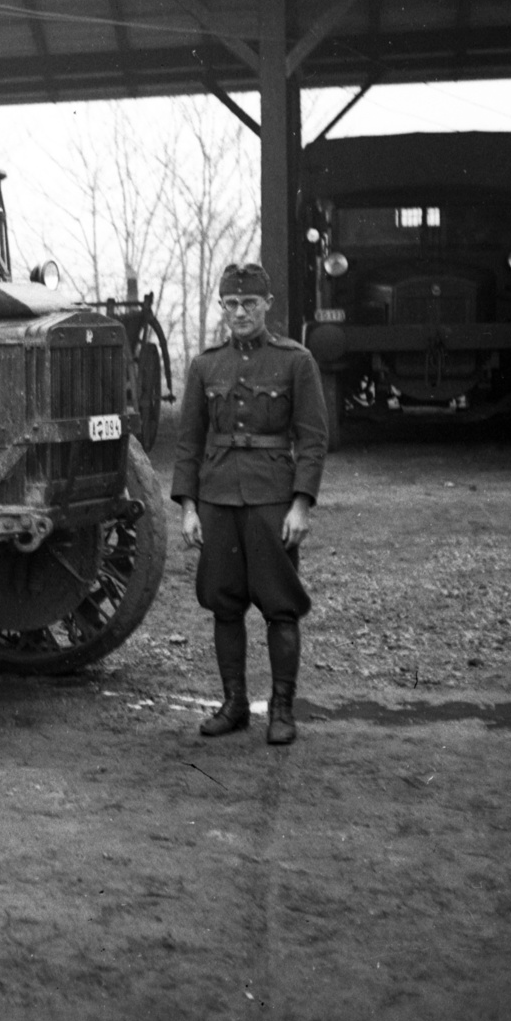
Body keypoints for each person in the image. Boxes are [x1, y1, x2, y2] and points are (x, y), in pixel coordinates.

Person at [171, 263, 328, 745]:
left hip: (271, 498)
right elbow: (189, 443)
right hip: (217, 498)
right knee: (224, 605)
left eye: (249, 304)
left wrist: (301, 505)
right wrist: (189, 507)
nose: (239, 313)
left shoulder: (296, 361)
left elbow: (314, 439)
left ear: (267, 306)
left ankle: (281, 709)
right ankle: (234, 704)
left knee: (281, 607)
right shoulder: (205, 365)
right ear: (222, 307)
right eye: (231, 304)